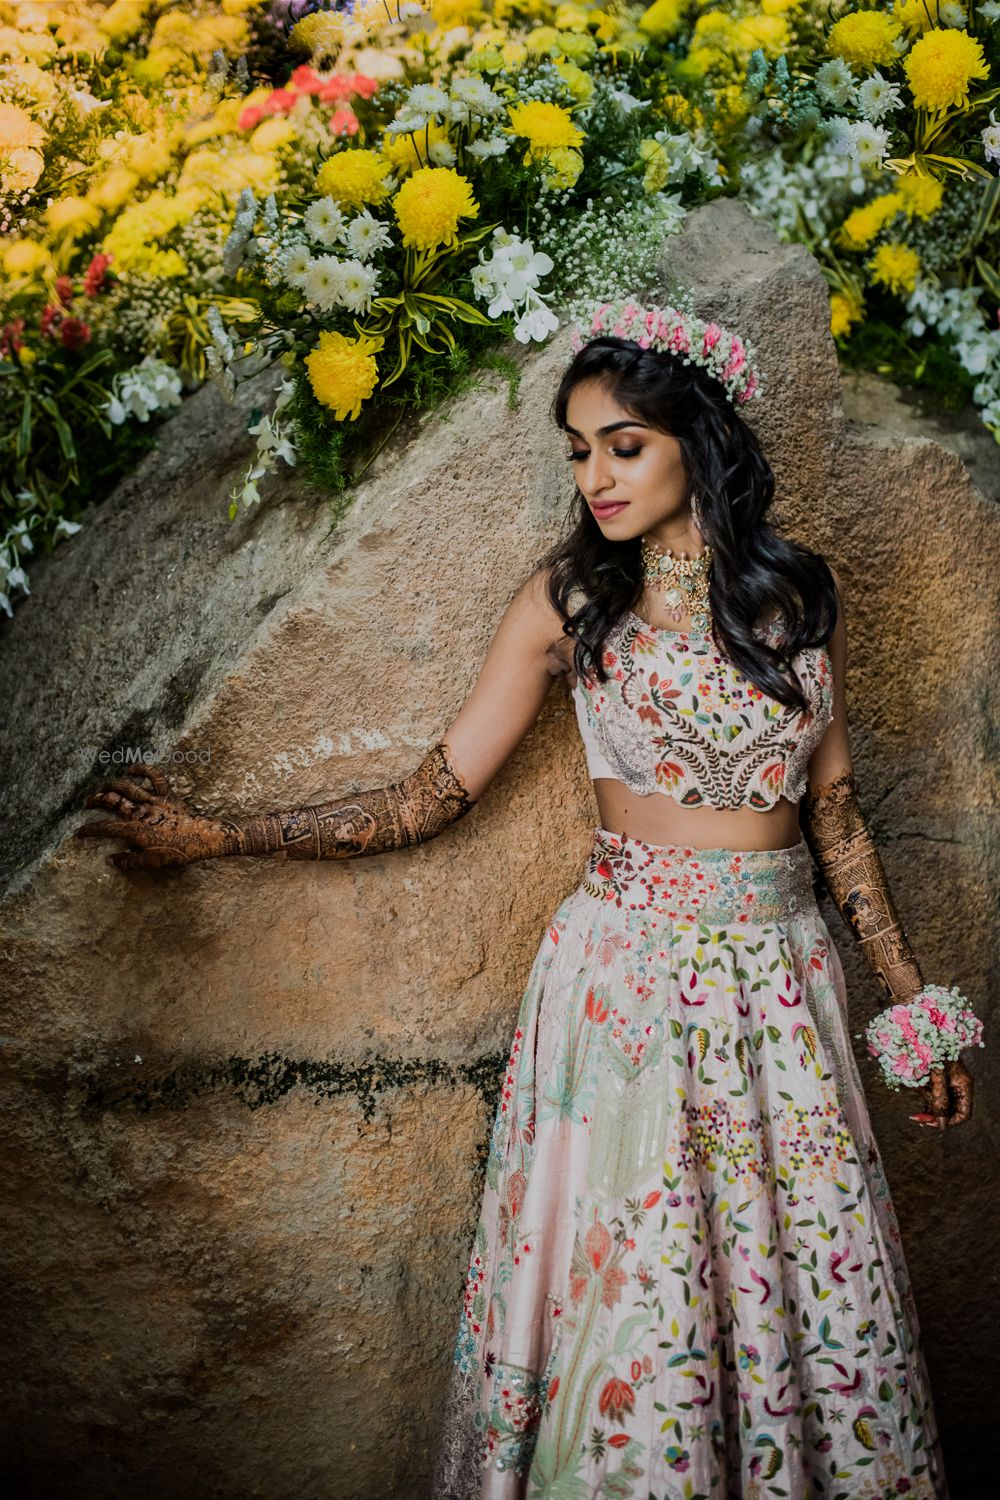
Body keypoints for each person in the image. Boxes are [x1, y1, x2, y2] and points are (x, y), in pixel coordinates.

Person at [74, 296, 974, 1500]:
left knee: (798, 1278)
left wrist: (908, 1008)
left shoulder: (800, 597)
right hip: (628, 982)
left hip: (782, 983)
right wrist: (218, 836)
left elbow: (838, 817)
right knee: (639, 1298)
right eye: (578, 450)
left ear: (695, 439)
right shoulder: (570, 603)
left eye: (622, 444)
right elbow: (432, 792)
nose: (595, 475)